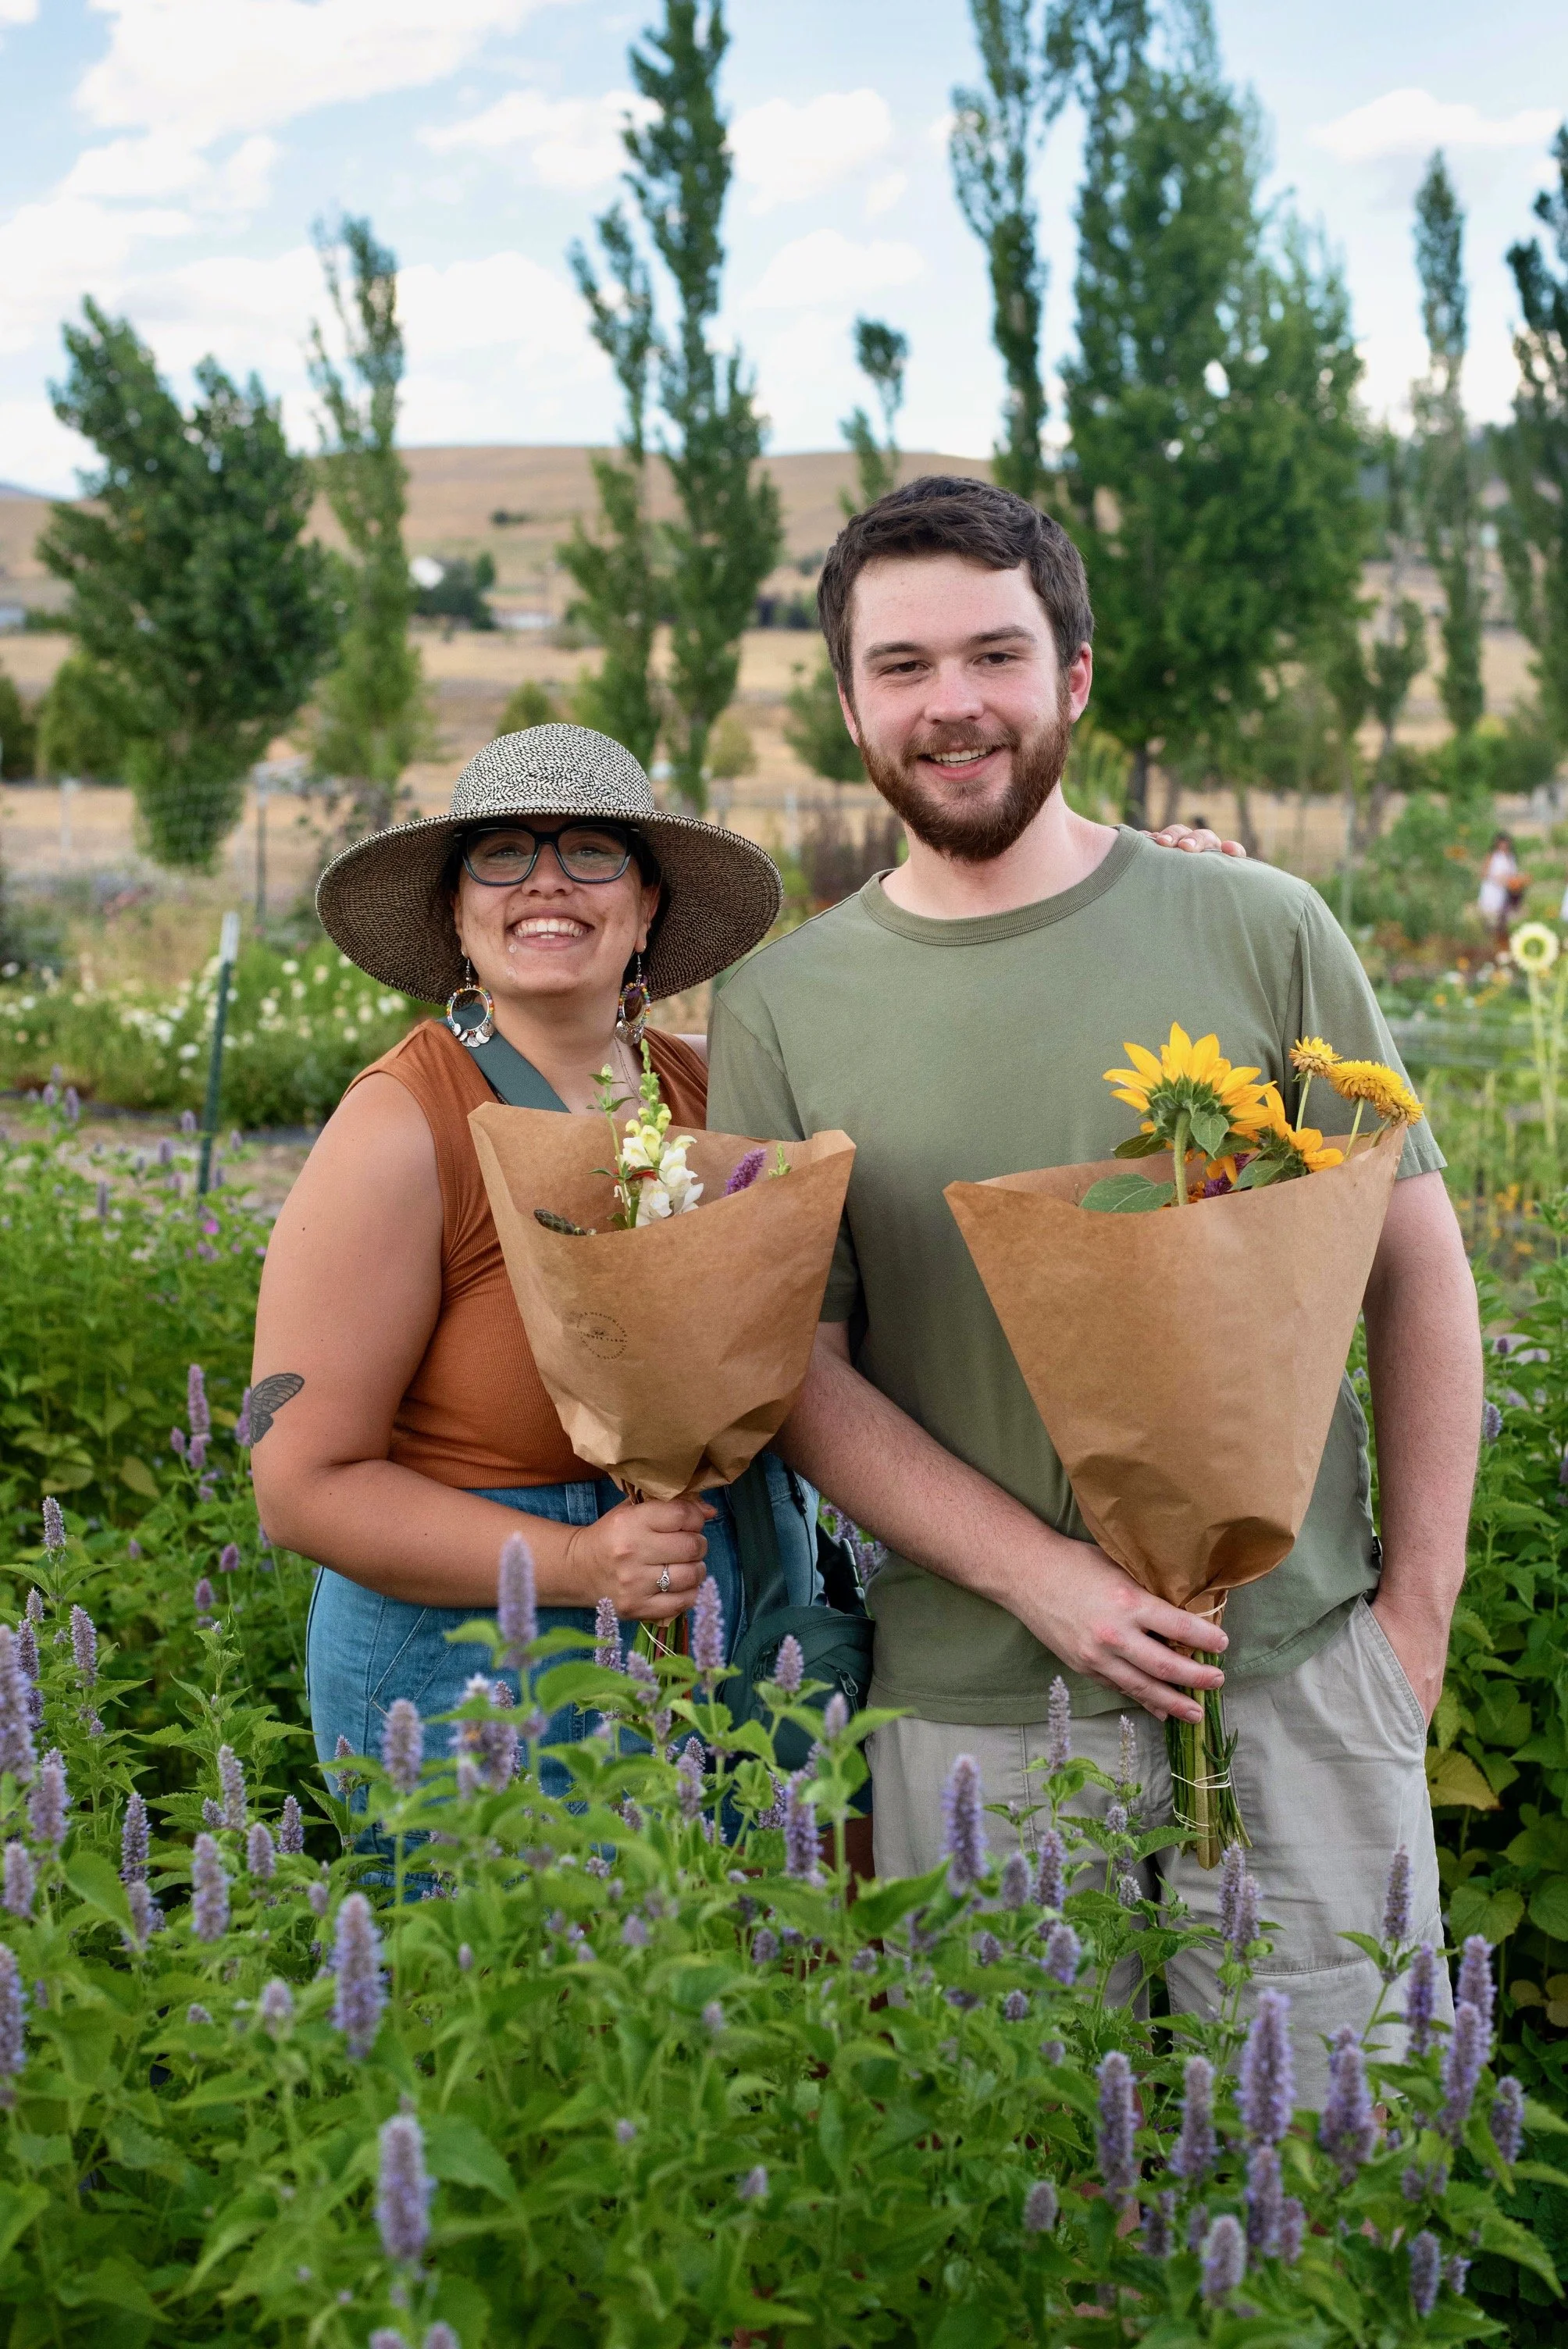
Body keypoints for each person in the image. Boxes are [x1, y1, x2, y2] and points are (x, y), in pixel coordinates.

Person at [707, 476, 1481, 2096]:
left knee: (1331, 2195)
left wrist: (1407, 1622)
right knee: (1013, 2214)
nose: (950, 704)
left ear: (1070, 676)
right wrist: (1043, 1581)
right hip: (970, 1707)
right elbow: (798, 1367)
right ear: (846, 704)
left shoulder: (1255, 924)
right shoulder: (780, 1009)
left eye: (993, 653)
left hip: (1287, 1677)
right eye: (901, 666)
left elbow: (1411, 1268)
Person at [249, 723, 819, 1798]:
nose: (545, 882)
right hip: (468, 1671)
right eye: (502, 852)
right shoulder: (401, 1127)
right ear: (457, 914)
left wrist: (1154, 873)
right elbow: (297, 1488)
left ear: (647, 904)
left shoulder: (710, 1093)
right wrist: (576, 1565)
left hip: (699, 1635)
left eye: (592, 850)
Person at [1478, 831, 1521, 950]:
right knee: (1490, 917)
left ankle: (1502, 942)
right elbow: (1484, 873)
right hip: (1492, 890)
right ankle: (1489, 942)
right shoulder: (1492, 856)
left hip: (1506, 891)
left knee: (1503, 919)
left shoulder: (1510, 856)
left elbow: (1513, 874)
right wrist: (1497, 878)